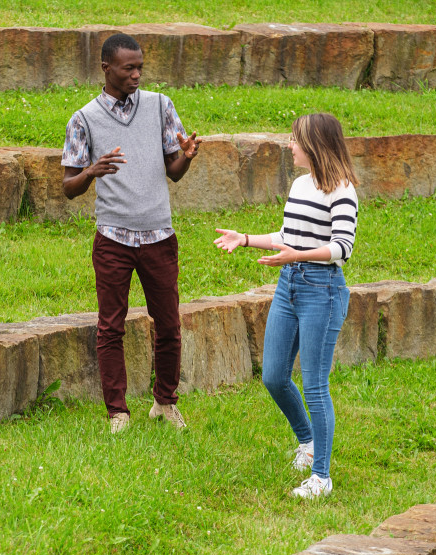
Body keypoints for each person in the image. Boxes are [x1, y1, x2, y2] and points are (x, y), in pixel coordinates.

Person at [62, 33, 202, 434]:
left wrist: (186, 158)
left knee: (169, 323)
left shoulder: (160, 106)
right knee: (111, 326)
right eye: (129, 68)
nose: (137, 74)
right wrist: (90, 171)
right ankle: (118, 413)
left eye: (140, 66)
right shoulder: (84, 119)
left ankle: (165, 403)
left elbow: (172, 171)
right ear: (106, 68)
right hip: (113, 239)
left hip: (159, 235)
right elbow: (68, 186)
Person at [214, 113, 358, 498]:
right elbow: (286, 236)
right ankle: (307, 442)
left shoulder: (342, 190)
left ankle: (321, 478)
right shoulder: (299, 184)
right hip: (289, 285)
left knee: (314, 384)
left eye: (295, 140)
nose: (289, 146)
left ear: (314, 145)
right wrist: (244, 239)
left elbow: (341, 248)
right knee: (274, 376)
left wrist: (296, 255)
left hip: (322, 291)